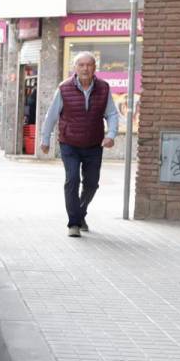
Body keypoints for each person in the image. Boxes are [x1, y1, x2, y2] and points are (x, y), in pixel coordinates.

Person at [40, 51, 119, 237]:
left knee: (92, 184)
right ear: (75, 68)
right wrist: (45, 140)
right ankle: (73, 223)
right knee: (72, 179)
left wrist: (112, 134)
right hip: (70, 143)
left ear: (94, 68)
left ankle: (80, 212)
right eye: (81, 65)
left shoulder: (104, 88)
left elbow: (112, 114)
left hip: (94, 143)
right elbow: (51, 116)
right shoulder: (64, 88)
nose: (85, 68)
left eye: (89, 65)